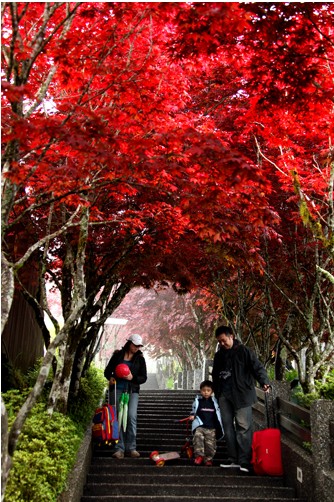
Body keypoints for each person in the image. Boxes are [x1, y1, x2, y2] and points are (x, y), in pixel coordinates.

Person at [212, 325, 270, 473]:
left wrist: (264, 382)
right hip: (224, 395)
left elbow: (257, 367)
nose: (222, 344)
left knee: (243, 427)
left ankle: (245, 461)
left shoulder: (244, 351)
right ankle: (232, 459)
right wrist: (217, 392)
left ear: (231, 336)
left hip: (242, 395)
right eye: (220, 342)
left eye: (224, 340)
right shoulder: (219, 355)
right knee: (227, 427)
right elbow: (215, 374)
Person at [104, 333, 147, 459]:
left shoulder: (140, 359)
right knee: (117, 417)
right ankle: (119, 448)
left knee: (131, 416)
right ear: (129, 343)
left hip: (132, 391)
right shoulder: (117, 355)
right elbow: (107, 371)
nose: (137, 348)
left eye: (139, 346)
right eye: (135, 345)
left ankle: (131, 447)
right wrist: (111, 377)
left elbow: (143, 377)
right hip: (117, 389)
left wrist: (132, 377)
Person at [188, 380, 224, 467]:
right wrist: (192, 415)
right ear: (201, 391)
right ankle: (199, 456)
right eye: (204, 390)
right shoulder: (198, 401)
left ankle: (208, 459)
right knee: (197, 438)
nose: (206, 392)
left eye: (208, 390)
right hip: (200, 426)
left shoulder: (214, 402)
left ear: (212, 392)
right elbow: (194, 409)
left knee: (210, 444)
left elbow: (218, 412)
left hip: (211, 427)